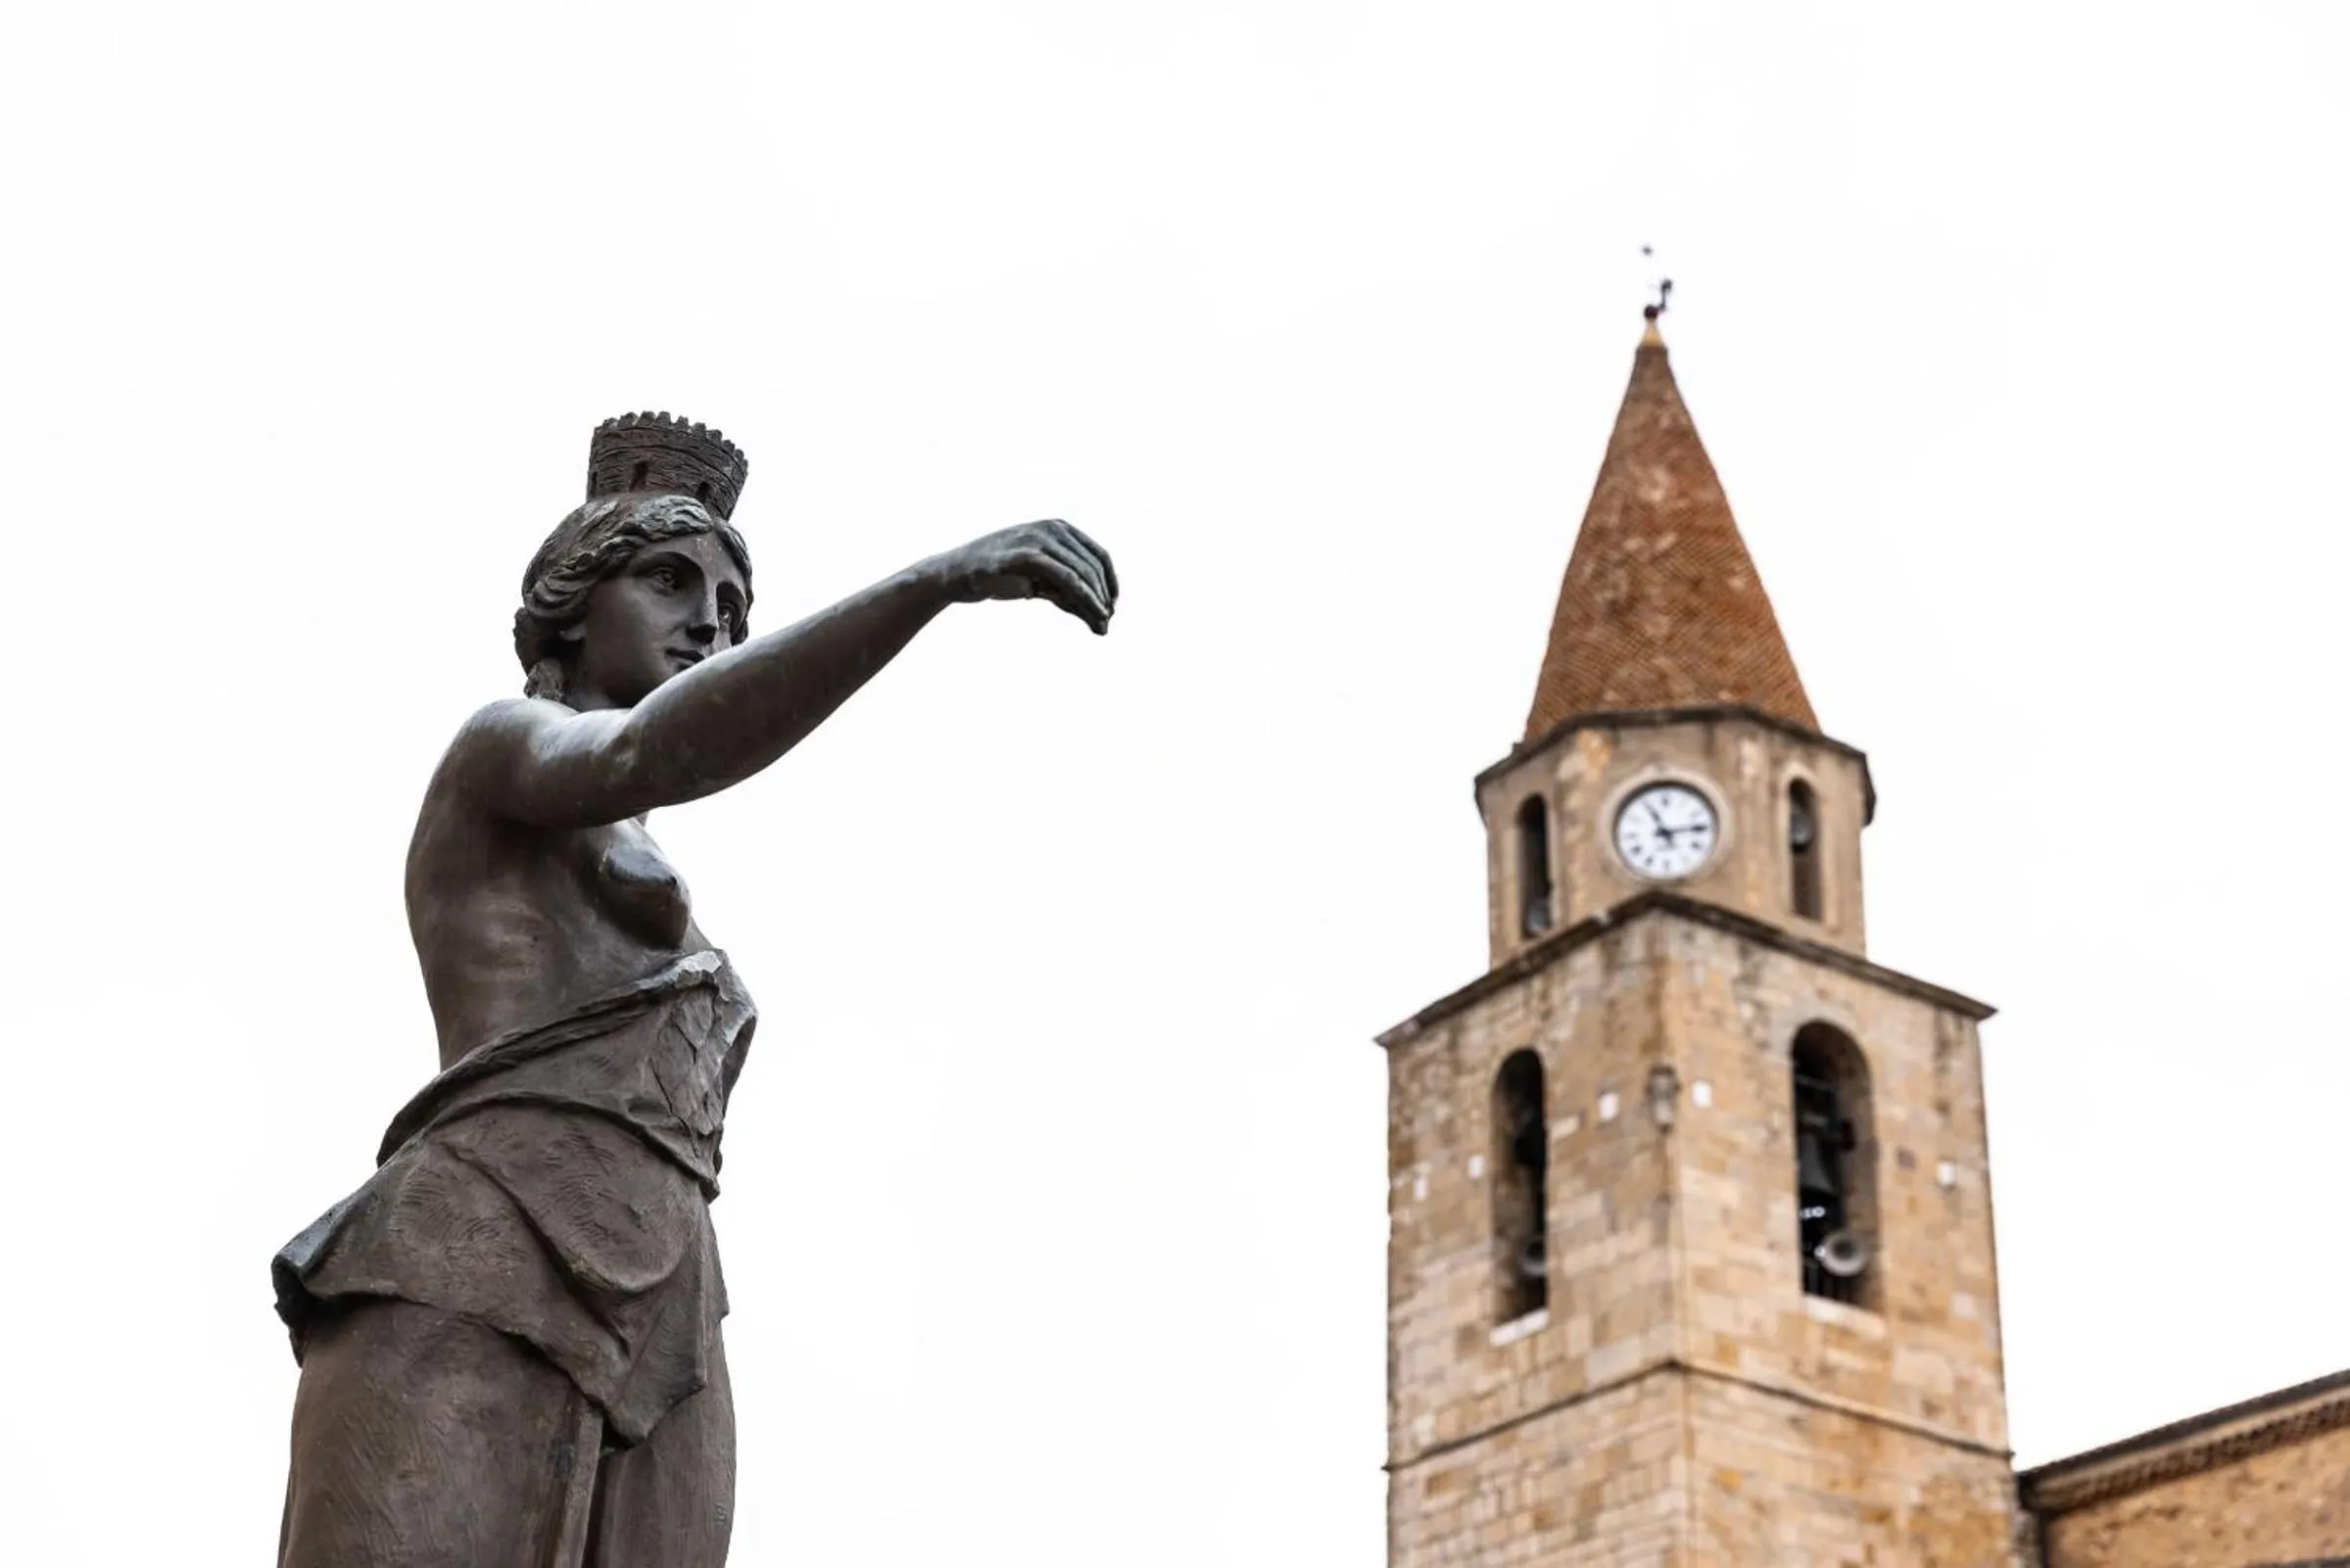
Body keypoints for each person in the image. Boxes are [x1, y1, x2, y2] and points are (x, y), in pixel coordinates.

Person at [271, 412, 1117, 1567]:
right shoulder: (500, 749)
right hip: (480, 1240)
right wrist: (928, 586)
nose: (710, 618)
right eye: (669, 578)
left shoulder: (648, 867)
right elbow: (644, 753)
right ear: (570, 605)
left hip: (670, 1294)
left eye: (731, 599)